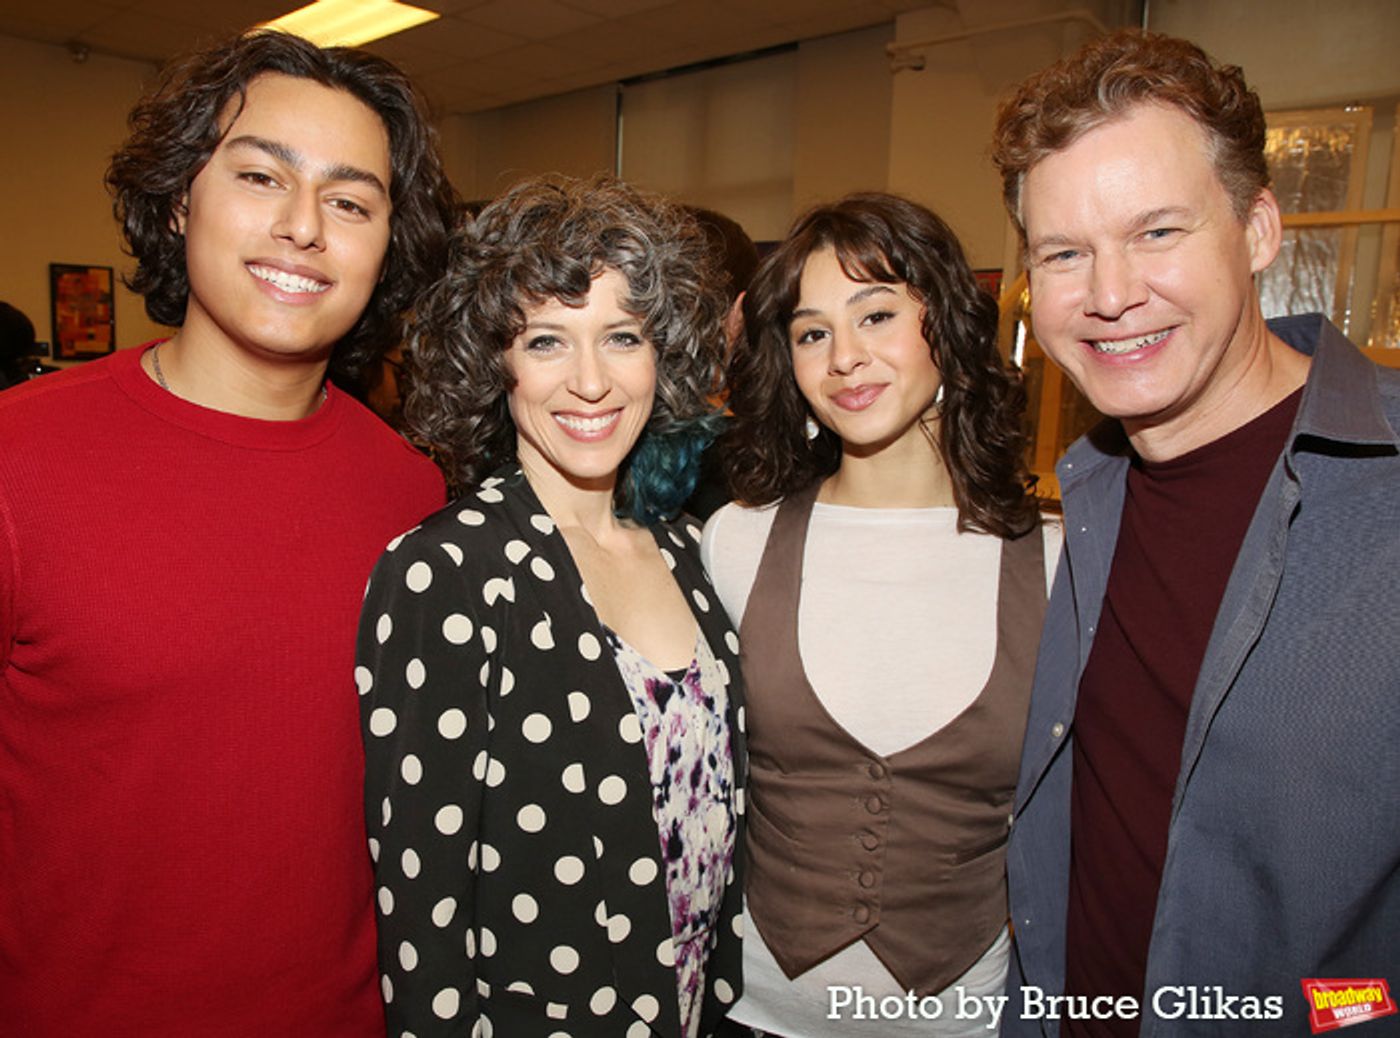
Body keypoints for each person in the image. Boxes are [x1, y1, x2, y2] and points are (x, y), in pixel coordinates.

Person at [0, 30, 455, 1035]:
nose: (303, 228)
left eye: (350, 202)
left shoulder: (414, 494)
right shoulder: (16, 461)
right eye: (260, 177)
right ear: (178, 200)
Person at [990, 30, 1400, 1037]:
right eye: (1064, 253)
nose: (1110, 295)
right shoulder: (1086, 495)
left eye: (1157, 232)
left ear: (1257, 230)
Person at [358, 174, 746, 1038]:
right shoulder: (446, 572)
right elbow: (422, 905)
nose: (591, 382)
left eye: (622, 337)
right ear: (493, 363)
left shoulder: (690, 548)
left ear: (664, 354)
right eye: (545, 341)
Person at [703, 192, 1057, 1037]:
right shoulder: (737, 541)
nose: (845, 359)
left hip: (964, 1020)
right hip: (754, 1011)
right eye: (812, 333)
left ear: (949, 325)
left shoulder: (1053, 560)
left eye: (877, 315)